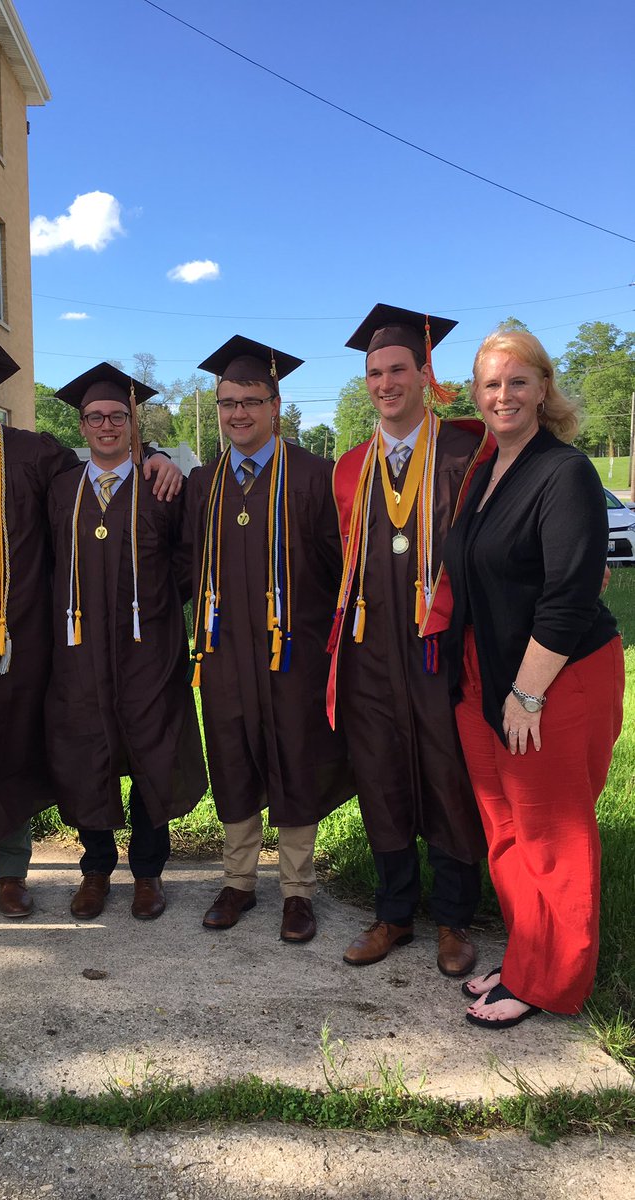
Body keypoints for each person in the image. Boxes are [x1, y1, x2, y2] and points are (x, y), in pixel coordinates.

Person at [0, 314, 181, 927]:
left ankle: (10, 875)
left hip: (14, 643)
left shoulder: (35, 454)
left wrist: (156, 456)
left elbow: (108, 477)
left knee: (11, 747)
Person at [443, 329, 623, 1028]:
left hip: (552, 681)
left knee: (554, 837)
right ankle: (527, 957)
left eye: (519, 381)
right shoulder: (487, 472)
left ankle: (555, 981)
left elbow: (570, 594)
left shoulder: (564, 470)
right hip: (485, 680)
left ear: (545, 389)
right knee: (508, 834)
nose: (503, 396)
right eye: (491, 384)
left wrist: (527, 692)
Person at [327, 304, 492, 976]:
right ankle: (394, 913)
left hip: (441, 650)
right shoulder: (350, 466)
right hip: (370, 653)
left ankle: (453, 920)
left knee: (448, 775)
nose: (385, 382)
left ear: (426, 373)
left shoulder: (467, 449)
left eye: (399, 368)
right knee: (382, 776)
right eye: (375, 371)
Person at [183, 335, 354, 943]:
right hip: (224, 653)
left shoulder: (315, 476)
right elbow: (183, 565)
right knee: (231, 756)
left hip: (294, 655)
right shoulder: (202, 484)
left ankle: (297, 890)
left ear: (276, 404)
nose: (237, 413)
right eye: (227, 401)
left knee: (295, 760)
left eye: (250, 401)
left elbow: (343, 572)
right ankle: (238, 882)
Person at [45, 364, 207, 920]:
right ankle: (94, 870)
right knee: (87, 749)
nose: (107, 425)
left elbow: (187, 560)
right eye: (96, 417)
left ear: (134, 422)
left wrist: (155, 606)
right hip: (78, 647)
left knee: (149, 752)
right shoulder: (60, 488)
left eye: (119, 415)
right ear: (83, 424)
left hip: (148, 647)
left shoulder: (162, 484)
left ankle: (147, 872)